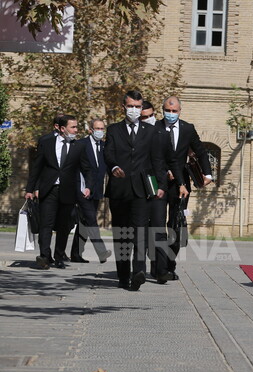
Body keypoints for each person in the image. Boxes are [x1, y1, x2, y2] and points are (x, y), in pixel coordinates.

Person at [103, 90, 172, 291]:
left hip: (142, 191)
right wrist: (114, 167)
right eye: (130, 106)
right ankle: (123, 275)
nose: (134, 109)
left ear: (142, 108)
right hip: (119, 190)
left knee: (140, 232)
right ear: (123, 107)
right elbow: (108, 153)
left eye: (137, 106)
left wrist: (161, 186)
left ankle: (139, 271)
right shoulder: (114, 129)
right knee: (122, 234)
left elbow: (157, 161)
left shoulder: (151, 132)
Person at [155, 96, 212, 281]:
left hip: (181, 187)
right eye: (167, 110)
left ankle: (170, 266)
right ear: (162, 110)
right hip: (159, 184)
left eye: (174, 111)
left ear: (180, 111)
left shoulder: (188, 129)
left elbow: (201, 151)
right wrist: (164, 172)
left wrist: (208, 174)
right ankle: (158, 266)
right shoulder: (154, 128)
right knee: (156, 225)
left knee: (176, 225)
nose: (170, 114)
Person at [24, 115, 90, 270]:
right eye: (73, 127)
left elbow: (87, 168)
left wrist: (89, 186)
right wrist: (30, 189)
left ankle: (59, 256)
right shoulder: (46, 143)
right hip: (49, 190)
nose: (76, 130)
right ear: (62, 129)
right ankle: (45, 256)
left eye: (76, 127)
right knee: (45, 224)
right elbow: (37, 168)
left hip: (68, 191)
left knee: (63, 226)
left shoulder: (79, 146)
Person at [70, 118, 112, 264]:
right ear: (90, 130)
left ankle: (76, 254)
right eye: (97, 129)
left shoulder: (104, 146)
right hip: (82, 189)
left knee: (85, 223)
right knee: (91, 220)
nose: (100, 131)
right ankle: (101, 252)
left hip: (96, 191)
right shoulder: (81, 144)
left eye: (102, 129)